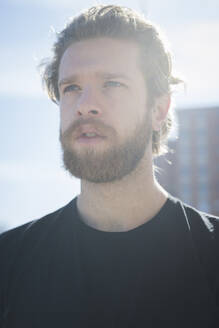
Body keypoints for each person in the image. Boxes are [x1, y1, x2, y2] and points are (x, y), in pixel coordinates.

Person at [0, 4, 218, 327]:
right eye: (71, 88)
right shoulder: (8, 262)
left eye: (112, 84)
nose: (85, 105)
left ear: (158, 109)